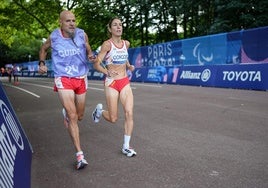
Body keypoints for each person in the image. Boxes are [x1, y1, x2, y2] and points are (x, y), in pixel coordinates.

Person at [39, 10, 95, 170]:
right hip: (63, 77)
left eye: (74, 20)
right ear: (61, 23)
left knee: (80, 115)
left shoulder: (82, 34)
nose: (72, 23)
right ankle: (80, 155)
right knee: (72, 116)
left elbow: (88, 49)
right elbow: (43, 49)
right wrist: (42, 64)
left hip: (81, 76)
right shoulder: (54, 37)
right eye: (68, 21)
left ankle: (68, 114)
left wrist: (91, 56)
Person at [92, 17, 136, 157]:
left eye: (120, 25)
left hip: (124, 81)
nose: (118, 27)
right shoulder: (107, 45)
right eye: (115, 25)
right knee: (113, 118)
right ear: (110, 29)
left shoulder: (126, 44)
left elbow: (125, 56)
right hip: (111, 83)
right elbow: (97, 64)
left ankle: (126, 146)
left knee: (129, 113)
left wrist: (129, 66)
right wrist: (106, 71)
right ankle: (99, 112)